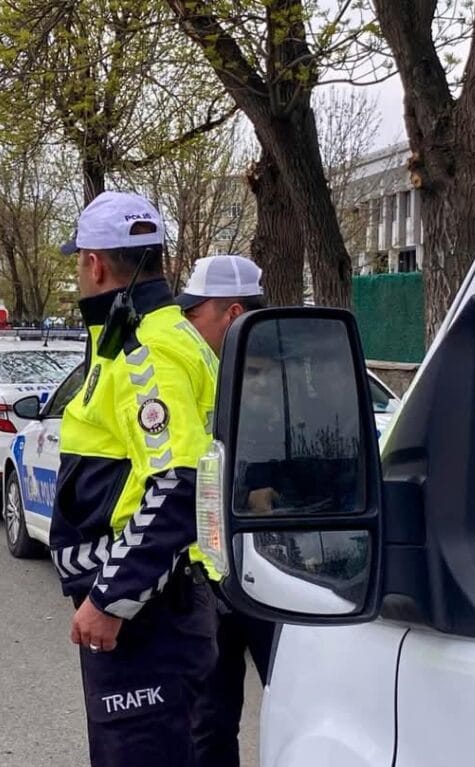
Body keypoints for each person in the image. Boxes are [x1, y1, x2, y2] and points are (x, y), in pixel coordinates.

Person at [50, 191, 220, 767]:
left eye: (79, 261)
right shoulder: (143, 334)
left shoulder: (147, 348)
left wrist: (112, 598)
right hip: (151, 611)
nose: (79, 273)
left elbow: (179, 481)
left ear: (95, 264)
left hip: (146, 619)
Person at [175, 254, 275, 767]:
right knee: (209, 720)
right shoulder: (197, 371)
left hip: (275, 565)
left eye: (197, 313)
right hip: (213, 571)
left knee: (294, 703)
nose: (188, 323)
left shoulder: (280, 372)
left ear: (231, 312)